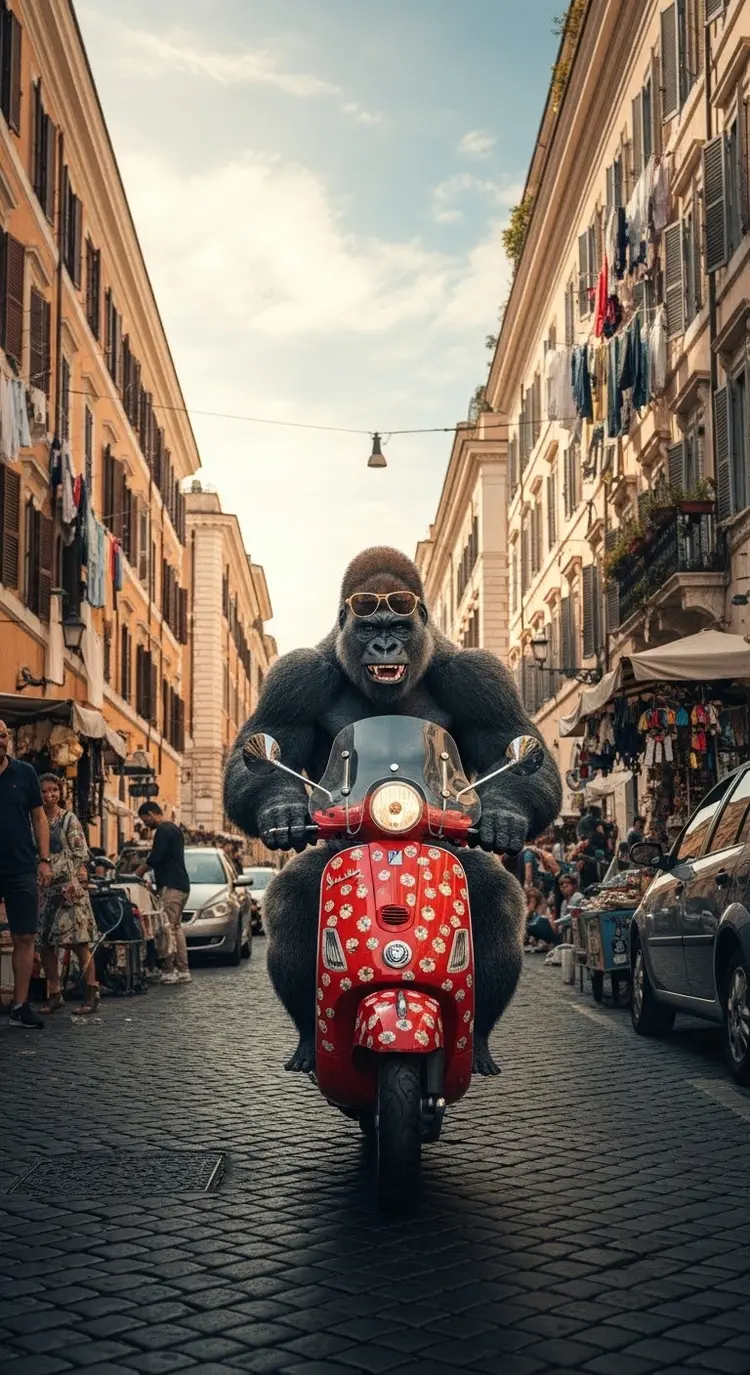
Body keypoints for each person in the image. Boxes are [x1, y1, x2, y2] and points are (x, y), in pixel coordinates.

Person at [0, 720, 51, 1028]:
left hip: (20, 867)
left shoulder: (25, 773)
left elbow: (39, 818)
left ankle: (20, 1005)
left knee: (25, 935)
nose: (1, 741)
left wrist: (44, 860)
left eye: (3, 736)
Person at [37, 774, 100, 1015]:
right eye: (44, 791)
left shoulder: (68, 819)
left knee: (78, 944)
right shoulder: (36, 819)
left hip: (69, 891)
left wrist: (61, 874)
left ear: (60, 793)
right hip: (45, 891)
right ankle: (54, 994)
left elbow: (80, 852)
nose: (49, 795)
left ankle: (92, 993)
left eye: (54, 790)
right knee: (44, 944)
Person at [136, 801, 191, 984]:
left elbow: (155, 857)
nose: (145, 824)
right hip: (180, 884)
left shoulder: (163, 830)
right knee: (175, 927)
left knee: (167, 929)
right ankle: (182, 970)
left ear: (151, 813)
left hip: (172, 885)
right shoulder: (173, 829)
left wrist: (137, 873)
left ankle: (171, 970)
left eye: (145, 819)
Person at [524, 886, 560, 951]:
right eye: (529, 901)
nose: (530, 904)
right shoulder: (526, 911)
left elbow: (550, 925)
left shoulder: (542, 912)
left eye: (533, 901)